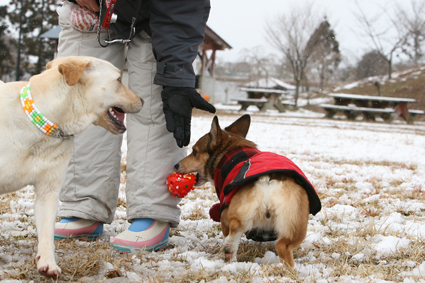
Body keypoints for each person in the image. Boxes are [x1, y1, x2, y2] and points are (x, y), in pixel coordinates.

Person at [53, 0, 215, 253]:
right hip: (88, 13)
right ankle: (83, 203)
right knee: (84, 103)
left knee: (153, 105)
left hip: (157, 14)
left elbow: (183, 7)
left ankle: (151, 211)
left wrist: (174, 74)